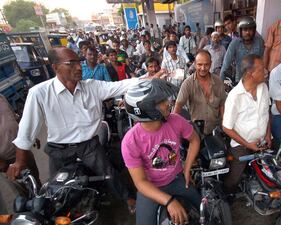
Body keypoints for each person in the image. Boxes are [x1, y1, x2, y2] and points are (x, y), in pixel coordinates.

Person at [6, 47, 136, 214]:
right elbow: (26, 131)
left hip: (89, 146)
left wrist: (150, 79)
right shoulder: (39, 93)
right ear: (55, 67)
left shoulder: (92, 87)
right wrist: (19, 161)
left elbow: (121, 85)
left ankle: (127, 198)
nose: (79, 67)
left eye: (79, 62)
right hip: (58, 150)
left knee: (108, 173)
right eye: (71, 63)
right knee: (55, 191)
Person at [121, 79, 201, 225]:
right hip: (150, 188)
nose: (168, 103)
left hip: (177, 179)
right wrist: (170, 201)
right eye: (161, 101)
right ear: (147, 109)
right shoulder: (130, 141)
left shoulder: (176, 120)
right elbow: (140, 182)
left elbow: (194, 140)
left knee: (203, 211)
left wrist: (187, 169)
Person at [222, 54, 271, 193]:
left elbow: (266, 113)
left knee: (268, 172)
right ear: (250, 73)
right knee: (234, 177)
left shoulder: (264, 88)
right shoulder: (234, 96)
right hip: (241, 145)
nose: (266, 71)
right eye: (261, 69)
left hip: (262, 141)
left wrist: (268, 135)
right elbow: (227, 128)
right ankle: (227, 196)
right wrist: (248, 144)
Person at [174, 50, 226, 135]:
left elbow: (222, 104)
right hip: (196, 131)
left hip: (216, 131)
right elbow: (178, 106)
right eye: (199, 64)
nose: (203, 68)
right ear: (194, 64)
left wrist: (224, 125)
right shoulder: (188, 83)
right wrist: (175, 129)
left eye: (206, 64)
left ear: (211, 63)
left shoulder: (218, 81)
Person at [220, 16, 265, 84]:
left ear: (254, 30)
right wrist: (220, 83)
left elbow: (262, 61)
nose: (247, 32)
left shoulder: (259, 42)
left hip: (256, 79)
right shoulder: (235, 43)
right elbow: (226, 64)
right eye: (245, 30)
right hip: (240, 80)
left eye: (250, 29)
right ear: (240, 31)